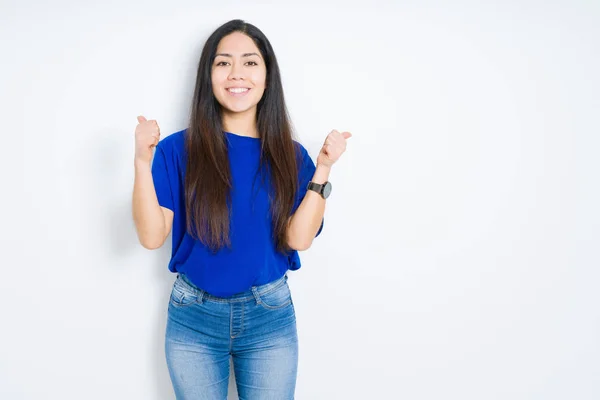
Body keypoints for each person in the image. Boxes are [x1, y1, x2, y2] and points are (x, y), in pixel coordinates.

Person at [132, 19, 351, 399]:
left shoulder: (290, 155)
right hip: (193, 317)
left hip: (269, 317)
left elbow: (299, 239)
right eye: (223, 63)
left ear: (267, 77)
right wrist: (140, 162)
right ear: (208, 76)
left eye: (250, 62)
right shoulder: (175, 149)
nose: (237, 74)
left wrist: (324, 168)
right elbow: (152, 237)